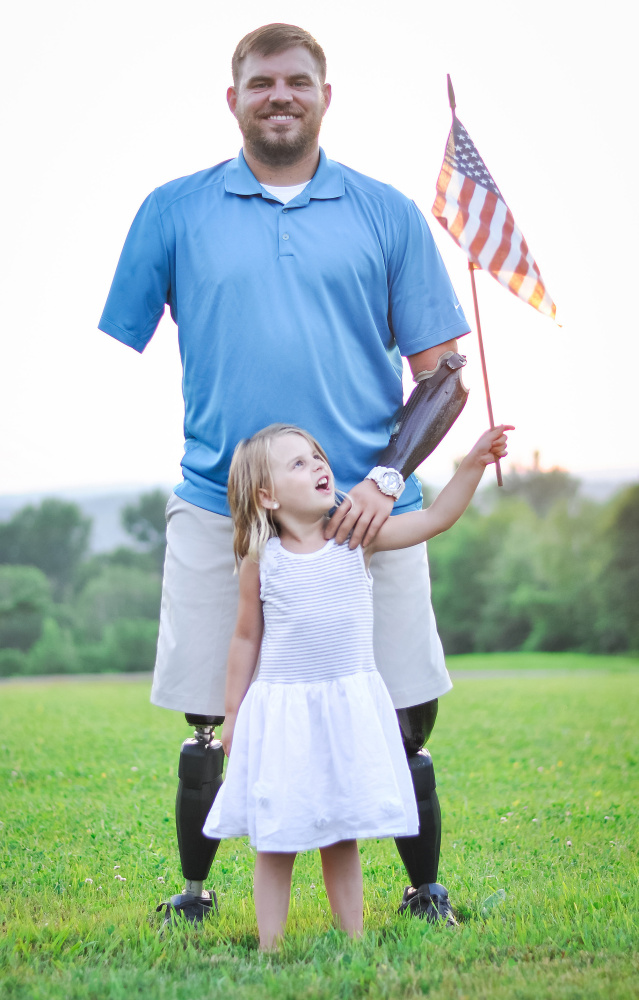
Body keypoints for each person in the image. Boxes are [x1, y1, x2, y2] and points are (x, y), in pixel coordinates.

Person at [98, 23, 472, 928]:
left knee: (401, 712)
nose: (279, 95)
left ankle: (423, 891)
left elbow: (444, 374)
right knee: (211, 718)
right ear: (233, 99)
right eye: (260, 82)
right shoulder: (171, 209)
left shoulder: (383, 211)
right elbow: (125, 334)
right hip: (219, 508)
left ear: (324, 96)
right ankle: (193, 893)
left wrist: (385, 476)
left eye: (297, 81)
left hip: (365, 512)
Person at [202, 421, 511, 948]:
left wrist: (474, 463)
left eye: (317, 457)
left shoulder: (354, 538)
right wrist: (232, 714)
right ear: (266, 495)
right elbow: (245, 637)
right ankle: (270, 947)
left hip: (346, 709)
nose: (319, 466)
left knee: (340, 834)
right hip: (284, 714)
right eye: (298, 463)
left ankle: (353, 941)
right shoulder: (261, 558)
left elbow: (435, 519)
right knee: (276, 839)